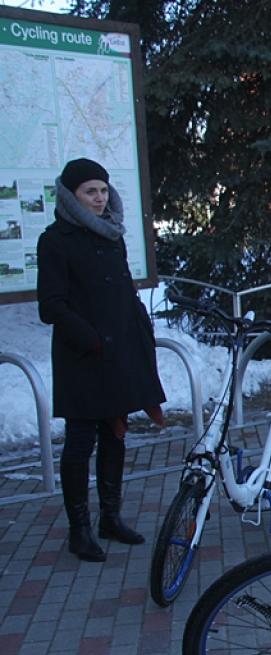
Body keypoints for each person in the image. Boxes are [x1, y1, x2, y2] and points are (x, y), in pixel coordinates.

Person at [37, 158, 166, 562]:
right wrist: (90, 339)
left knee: (115, 435)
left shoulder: (112, 234)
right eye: (90, 191)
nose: (99, 198)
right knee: (80, 442)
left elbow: (123, 290)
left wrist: (139, 323)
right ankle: (80, 530)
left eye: (104, 190)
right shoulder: (55, 240)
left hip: (118, 352)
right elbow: (50, 305)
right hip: (82, 356)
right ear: (70, 196)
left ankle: (111, 517)